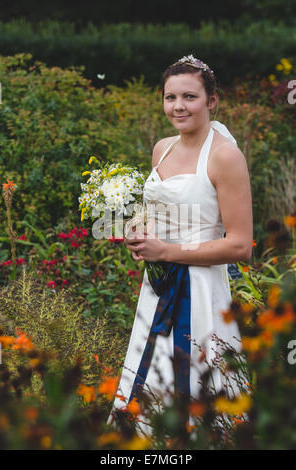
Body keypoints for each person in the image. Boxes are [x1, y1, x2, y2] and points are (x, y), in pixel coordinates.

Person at [108, 55, 253, 435]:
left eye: (190, 96)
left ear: (212, 100)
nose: (178, 106)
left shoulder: (225, 157)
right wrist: (140, 232)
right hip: (156, 287)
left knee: (201, 386)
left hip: (202, 291)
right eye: (170, 97)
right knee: (150, 377)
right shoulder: (163, 149)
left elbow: (240, 246)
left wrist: (167, 252)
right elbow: (159, 214)